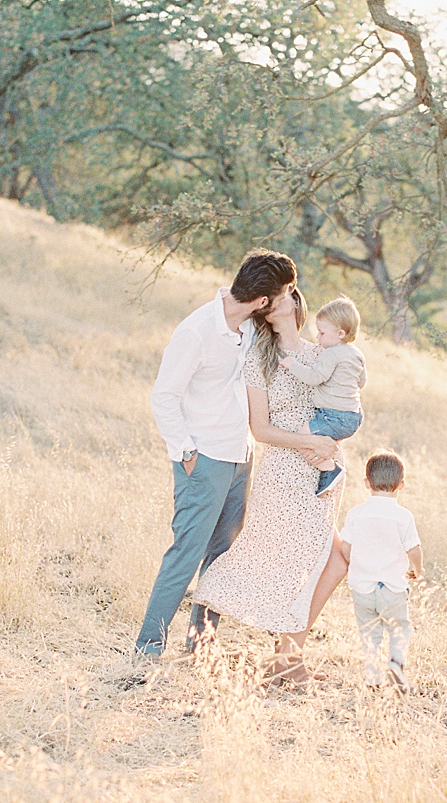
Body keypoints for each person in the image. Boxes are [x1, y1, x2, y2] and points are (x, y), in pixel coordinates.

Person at [135, 248, 298, 658]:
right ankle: (146, 649)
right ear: (262, 300)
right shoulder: (196, 331)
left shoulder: (250, 328)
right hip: (204, 459)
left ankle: (199, 648)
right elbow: (164, 396)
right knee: (186, 554)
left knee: (222, 560)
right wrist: (186, 453)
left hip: (241, 456)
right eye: (282, 294)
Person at [191, 286, 347, 685]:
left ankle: (286, 658)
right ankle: (278, 658)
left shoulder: (321, 354)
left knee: (335, 559)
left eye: (286, 294)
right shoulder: (259, 362)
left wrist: (326, 443)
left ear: (297, 303)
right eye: (269, 296)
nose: (277, 299)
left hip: (322, 470)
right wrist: (308, 441)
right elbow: (260, 430)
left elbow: (342, 406)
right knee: (290, 558)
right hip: (283, 472)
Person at [338, 451, 423, 692]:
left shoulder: (356, 514)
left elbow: (346, 546)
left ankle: (372, 679)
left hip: (362, 589)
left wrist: (353, 563)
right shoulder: (403, 517)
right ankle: (396, 663)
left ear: (367, 483)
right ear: (402, 485)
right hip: (393, 589)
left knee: (370, 634)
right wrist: (418, 570)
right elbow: (414, 549)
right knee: (400, 627)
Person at [279, 296, 367, 497]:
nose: (317, 337)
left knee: (301, 437)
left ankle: (329, 468)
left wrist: (293, 365)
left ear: (340, 333)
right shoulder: (357, 354)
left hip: (335, 416)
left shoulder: (331, 354)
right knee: (311, 438)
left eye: (321, 332)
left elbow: (314, 377)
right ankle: (327, 466)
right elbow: (361, 382)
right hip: (354, 415)